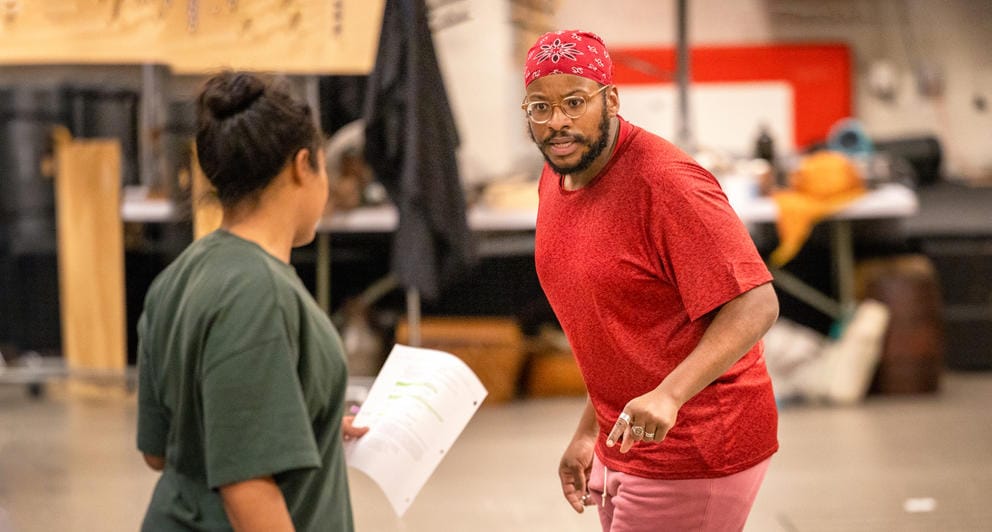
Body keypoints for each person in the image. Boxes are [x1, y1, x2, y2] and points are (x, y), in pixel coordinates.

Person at [524, 30, 780, 531]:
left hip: (695, 442)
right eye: (540, 107)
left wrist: (669, 395)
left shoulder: (666, 183)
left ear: (611, 99)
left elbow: (756, 303)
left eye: (575, 102)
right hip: (625, 439)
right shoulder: (558, 175)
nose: (558, 123)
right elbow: (623, 328)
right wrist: (590, 430)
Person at [135, 71, 368, 532]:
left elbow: (160, 450)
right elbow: (248, 487)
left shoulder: (181, 275)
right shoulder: (256, 292)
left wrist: (306, 423)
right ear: (304, 165)